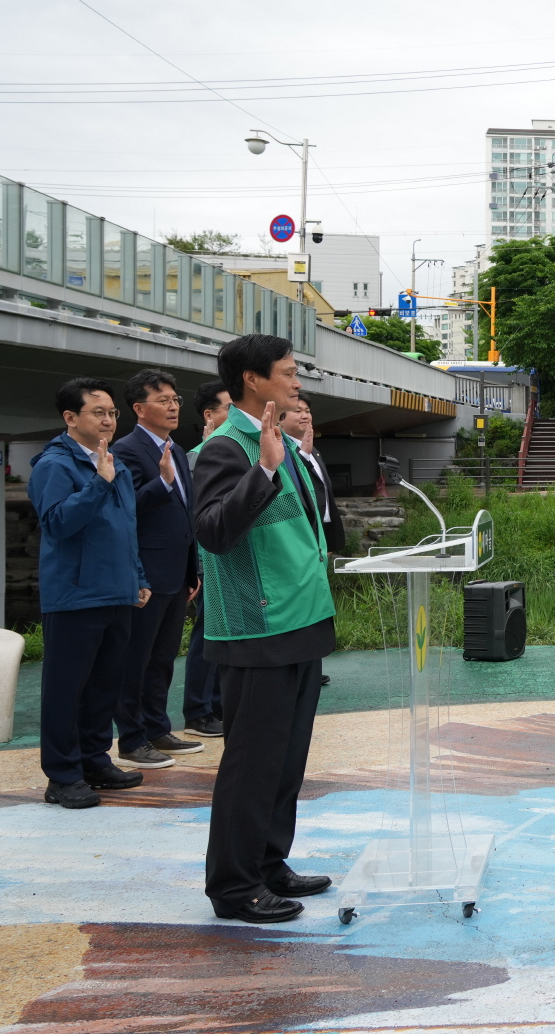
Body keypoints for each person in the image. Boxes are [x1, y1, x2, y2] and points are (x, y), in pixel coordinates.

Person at [194, 334, 336, 923]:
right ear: (252, 379)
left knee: (285, 761)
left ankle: (270, 863)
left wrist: (280, 458)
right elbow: (213, 531)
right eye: (288, 370)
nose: (298, 380)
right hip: (257, 627)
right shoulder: (226, 448)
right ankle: (234, 886)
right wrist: (264, 471)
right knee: (252, 762)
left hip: (301, 622)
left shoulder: (278, 440)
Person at [28, 379, 152, 809]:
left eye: (112, 413)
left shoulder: (110, 461)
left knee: (104, 686)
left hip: (117, 591)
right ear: (70, 418)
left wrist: (138, 574)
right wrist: (99, 482)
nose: (108, 420)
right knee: (67, 689)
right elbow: (57, 523)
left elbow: (125, 527)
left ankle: (95, 761)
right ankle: (62, 776)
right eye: (98, 412)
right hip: (76, 596)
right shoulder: (54, 465)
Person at [110, 369, 203, 769]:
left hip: (176, 569)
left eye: (175, 400)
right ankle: (131, 739)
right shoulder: (126, 450)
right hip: (146, 572)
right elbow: (125, 506)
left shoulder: (177, 450)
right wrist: (162, 483)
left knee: (163, 656)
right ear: (138, 408)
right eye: (163, 400)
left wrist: (193, 566)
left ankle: (156, 727)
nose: (172, 406)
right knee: (137, 658)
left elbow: (187, 513)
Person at [179, 380, 231, 738]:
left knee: (221, 633)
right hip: (206, 561)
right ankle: (197, 711)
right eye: (229, 407)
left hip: (225, 559)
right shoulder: (198, 457)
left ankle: (215, 704)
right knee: (205, 635)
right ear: (209, 415)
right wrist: (195, 568)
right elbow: (197, 518)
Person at [279, 397, 344, 554]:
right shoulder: (280, 450)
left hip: (324, 526)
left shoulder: (313, 450)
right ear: (280, 420)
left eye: (307, 411)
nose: (305, 415)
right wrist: (304, 456)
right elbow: (291, 484)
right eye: (297, 411)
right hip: (302, 530)